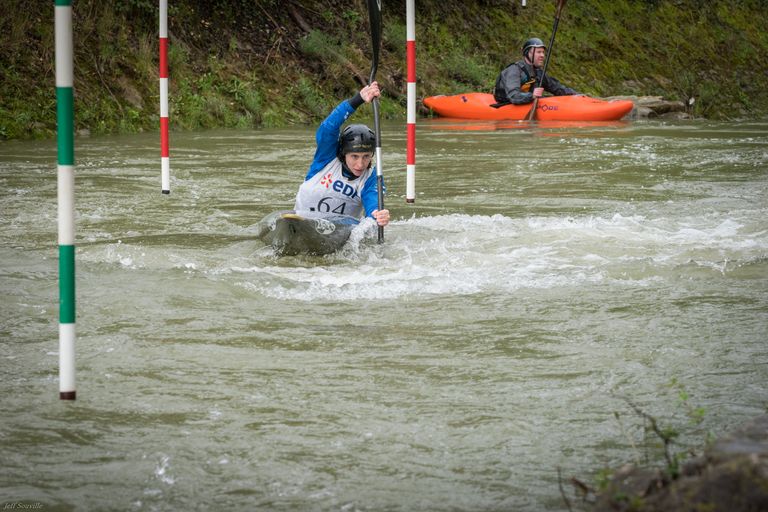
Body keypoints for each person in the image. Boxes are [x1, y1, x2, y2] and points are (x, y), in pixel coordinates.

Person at [294, 81, 390, 227]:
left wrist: (378, 214)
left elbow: (373, 204)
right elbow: (328, 128)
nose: (360, 164)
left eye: (366, 156)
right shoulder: (327, 157)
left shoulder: (372, 177)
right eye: (354, 156)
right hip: (301, 221)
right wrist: (357, 100)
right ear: (344, 153)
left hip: (338, 232)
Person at [493, 37, 578, 106]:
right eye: (538, 52)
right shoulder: (514, 70)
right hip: (507, 104)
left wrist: (576, 95)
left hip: (526, 102)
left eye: (543, 52)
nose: (542, 55)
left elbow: (557, 88)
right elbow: (513, 96)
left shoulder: (538, 73)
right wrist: (532, 95)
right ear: (527, 53)